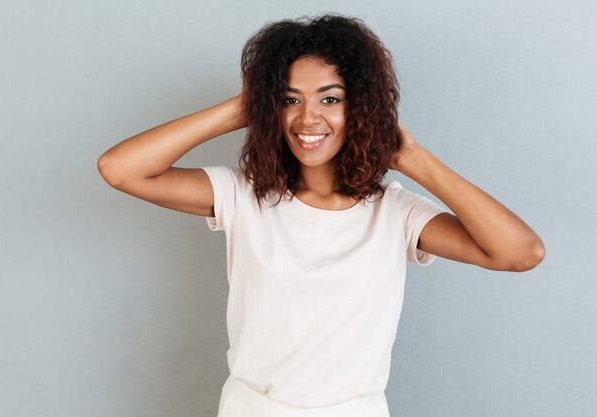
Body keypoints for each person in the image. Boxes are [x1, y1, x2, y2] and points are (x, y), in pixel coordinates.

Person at [97, 13, 545, 417]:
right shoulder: (243, 194)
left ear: (360, 108)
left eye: (329, 100)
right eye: (290, 99)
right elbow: (118, 169)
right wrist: (243, 108)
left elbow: (521, 252)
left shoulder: (394, 212)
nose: (308, 118)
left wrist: (414, 159)